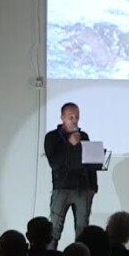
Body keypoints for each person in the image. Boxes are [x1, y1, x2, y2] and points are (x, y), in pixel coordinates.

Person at [43, 102, 99, 246]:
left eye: (77, 117)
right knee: (54, 229)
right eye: (71, 117)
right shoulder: (52, 137)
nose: (74, 120)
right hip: (62, 188)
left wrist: (93, 187)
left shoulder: (83, 136)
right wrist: (69, 144)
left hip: (83, 189)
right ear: (62, 118)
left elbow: (90, 163)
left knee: (82, 230)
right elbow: (55, 163)